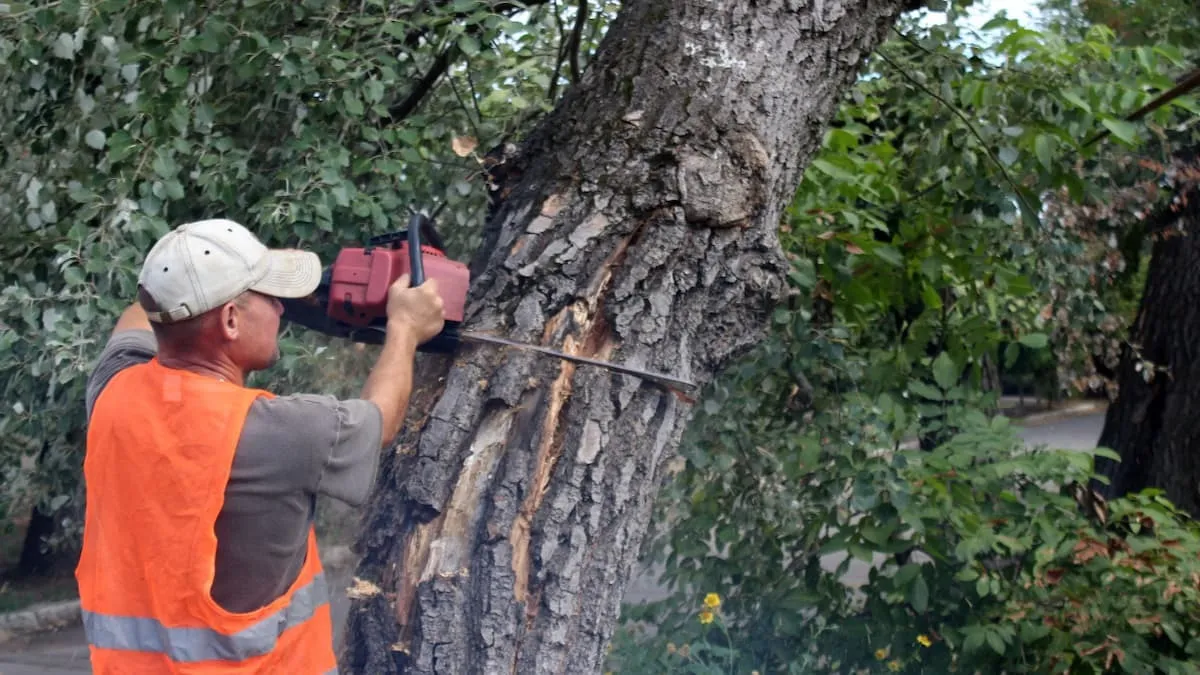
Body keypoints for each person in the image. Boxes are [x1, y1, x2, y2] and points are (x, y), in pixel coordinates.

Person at [74, 218, 445, 674]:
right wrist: (405, 328)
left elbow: (144, 311)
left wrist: (218, 269)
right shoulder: (279, 432)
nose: (282, 309)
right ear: (231, 319)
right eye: (271, 297)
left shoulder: (113, 391)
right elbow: (380, 420)